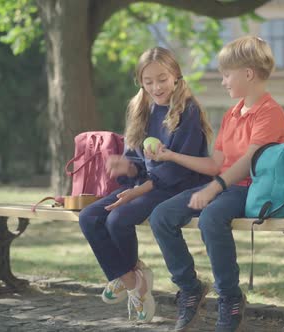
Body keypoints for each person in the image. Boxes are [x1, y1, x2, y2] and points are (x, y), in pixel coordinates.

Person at [146, 36, 284, 331]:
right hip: (224, 186)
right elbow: (214, 164)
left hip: (250, 188)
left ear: (247, 74)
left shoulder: (270, 112)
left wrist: (212, 188)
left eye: (226, 74)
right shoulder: (231, 115)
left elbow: (247, 163)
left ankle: (230, 298)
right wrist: (171, 155)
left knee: (211, 219)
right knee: (161, 216)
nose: (222, 81)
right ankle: (190, 287)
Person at [78, 47, 212, 323]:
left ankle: (130, 282)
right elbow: (136, 161)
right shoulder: (140, 107)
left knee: (118, 219)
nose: (156, 87)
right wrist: (126, 168)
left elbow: (177, 171)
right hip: (147, 185)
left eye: (162, 79)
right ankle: (132, 280)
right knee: (89, 217)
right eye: (148, 81)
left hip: (177, 187)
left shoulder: (188, 110)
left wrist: (137, 191)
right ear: (140, 81)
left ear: (175, 75)